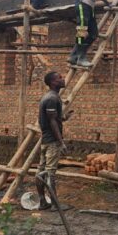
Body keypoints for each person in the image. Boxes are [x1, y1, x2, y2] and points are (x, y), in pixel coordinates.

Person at [35, 71, 73, 210]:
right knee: (50, 172)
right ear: (52, 82)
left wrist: (63, 118)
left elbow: (52, 118)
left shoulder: (51, 97)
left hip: (46, 139)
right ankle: (55, 204)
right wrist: (60, 142)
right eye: (59, 78)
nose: (63, 80)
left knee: (41, 171)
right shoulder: (51, 98)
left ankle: (42, 202)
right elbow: (51, 121)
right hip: (51, 141)